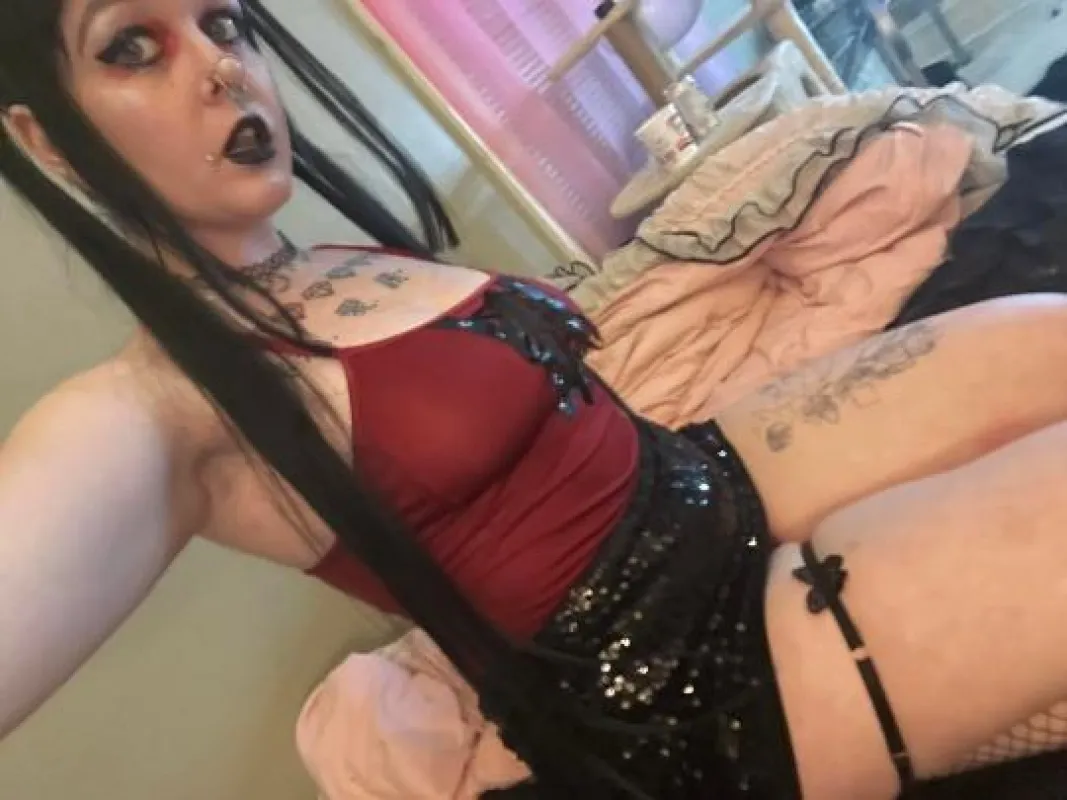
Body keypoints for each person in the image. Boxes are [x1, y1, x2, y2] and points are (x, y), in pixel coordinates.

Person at [5, 1, 1067, 798]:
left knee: (1044, 331)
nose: (220, 68)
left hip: (695, 480)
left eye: (222, 23)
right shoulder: (149, 409)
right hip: (685, 678)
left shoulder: (319, 261)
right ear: (45, 139)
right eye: (131, 47)